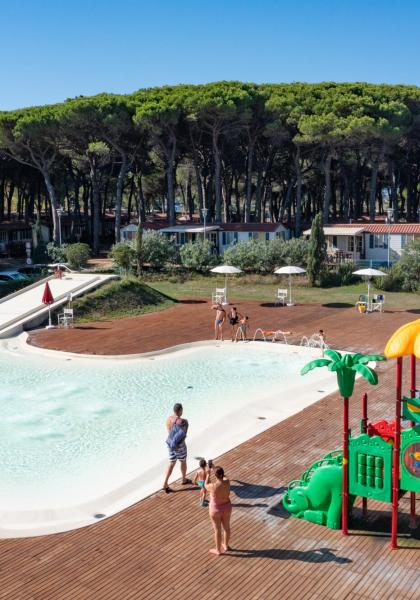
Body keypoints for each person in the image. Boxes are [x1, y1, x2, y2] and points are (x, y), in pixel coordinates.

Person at [162, 403, 192, 493]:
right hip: (180, 446)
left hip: (170, 445)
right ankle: (183, 480)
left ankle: (165, 483)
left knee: (171, 463)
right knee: (183, 461)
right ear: (180, 410)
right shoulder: (183, 422)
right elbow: (184, 434)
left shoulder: (168, 419)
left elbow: (170, 432)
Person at [205, 465, 232, 556]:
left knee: (217, 530)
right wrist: (214, 468)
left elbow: (205, 485)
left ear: (215, 476)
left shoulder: (213, 486)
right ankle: (226, 545)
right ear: (222, 474)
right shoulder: (227, 482)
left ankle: (218, 550)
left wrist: (208, 474)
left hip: (215, 509)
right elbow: (225, 476)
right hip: (227, 507)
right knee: (227, 528)